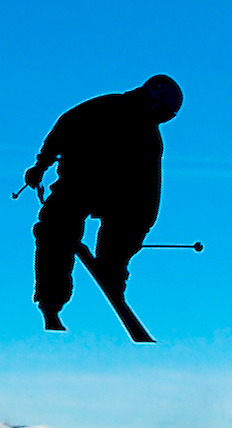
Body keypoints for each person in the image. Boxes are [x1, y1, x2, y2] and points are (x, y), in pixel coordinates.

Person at [25, 74, 183, 331]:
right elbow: (64, 129)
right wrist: (41, 164)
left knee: (114, 222)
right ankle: (56, 293)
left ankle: (106, 268)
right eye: (162, 114)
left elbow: (147, 198)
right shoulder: (109, 110)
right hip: (80, 183)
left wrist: (120, 255)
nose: (160, 120)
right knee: (58, 227)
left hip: (111, 195)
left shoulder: (149, 140)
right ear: (155, 104)